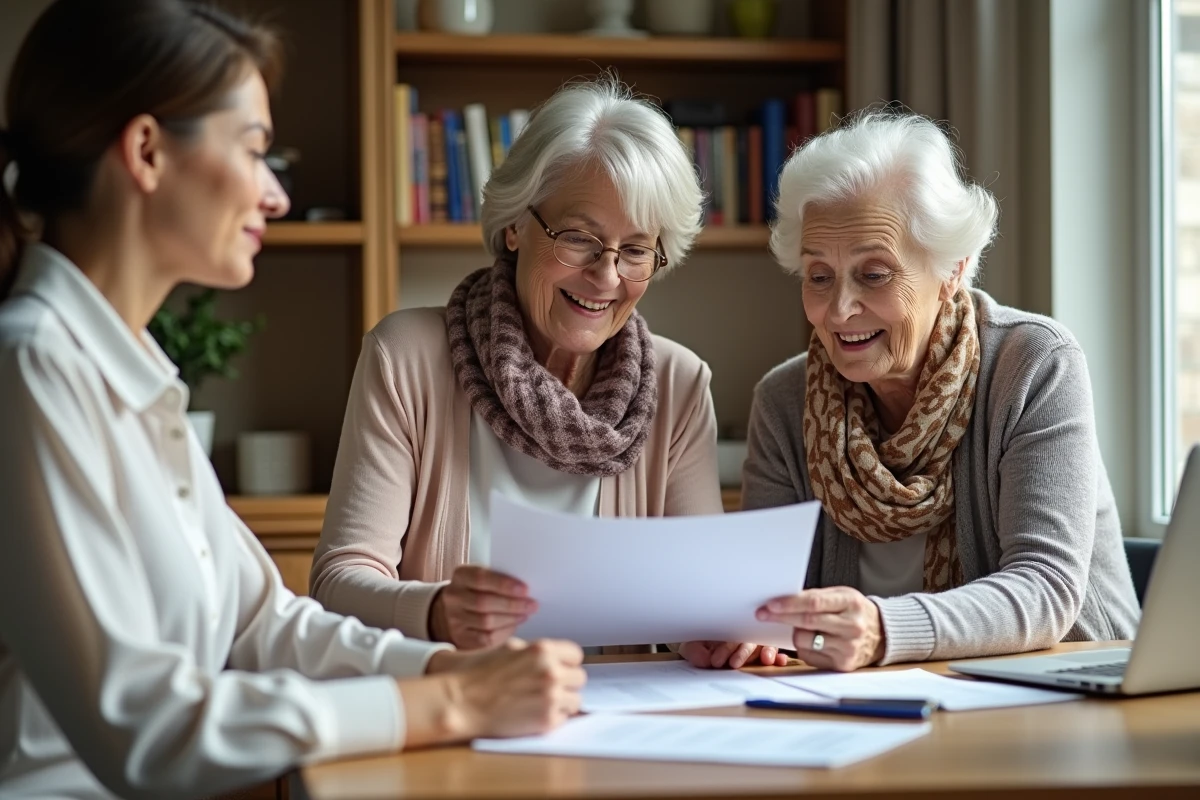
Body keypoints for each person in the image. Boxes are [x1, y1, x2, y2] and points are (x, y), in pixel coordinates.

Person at [0, 2, 583, 797]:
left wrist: (445, 667)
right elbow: (141, 726)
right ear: (145, 152)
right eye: (253, 151)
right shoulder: (32, 366)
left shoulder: (129, 371)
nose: (274, 194)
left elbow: (262, 622)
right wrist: (450, 702)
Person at [682, 110, 1140, 672]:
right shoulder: (783, 400)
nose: (839, 310)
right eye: (819, 276)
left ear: (953, 270)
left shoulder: (1034, 364)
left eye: (874, 274)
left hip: (1066, 685)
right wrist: (743, 630)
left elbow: (1046, 589)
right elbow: (766, 603)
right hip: (859, 700)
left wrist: (883, 629)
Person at [310, 77, 751, 660]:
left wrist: (716, 630)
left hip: (616, 712)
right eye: (580, 238)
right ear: (516, 225)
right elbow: (338, 583)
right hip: (459, 703)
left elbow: (696, 601)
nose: (606, 276)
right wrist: (437, 612)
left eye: (635, 250)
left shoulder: (680, 384)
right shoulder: (406, 357)